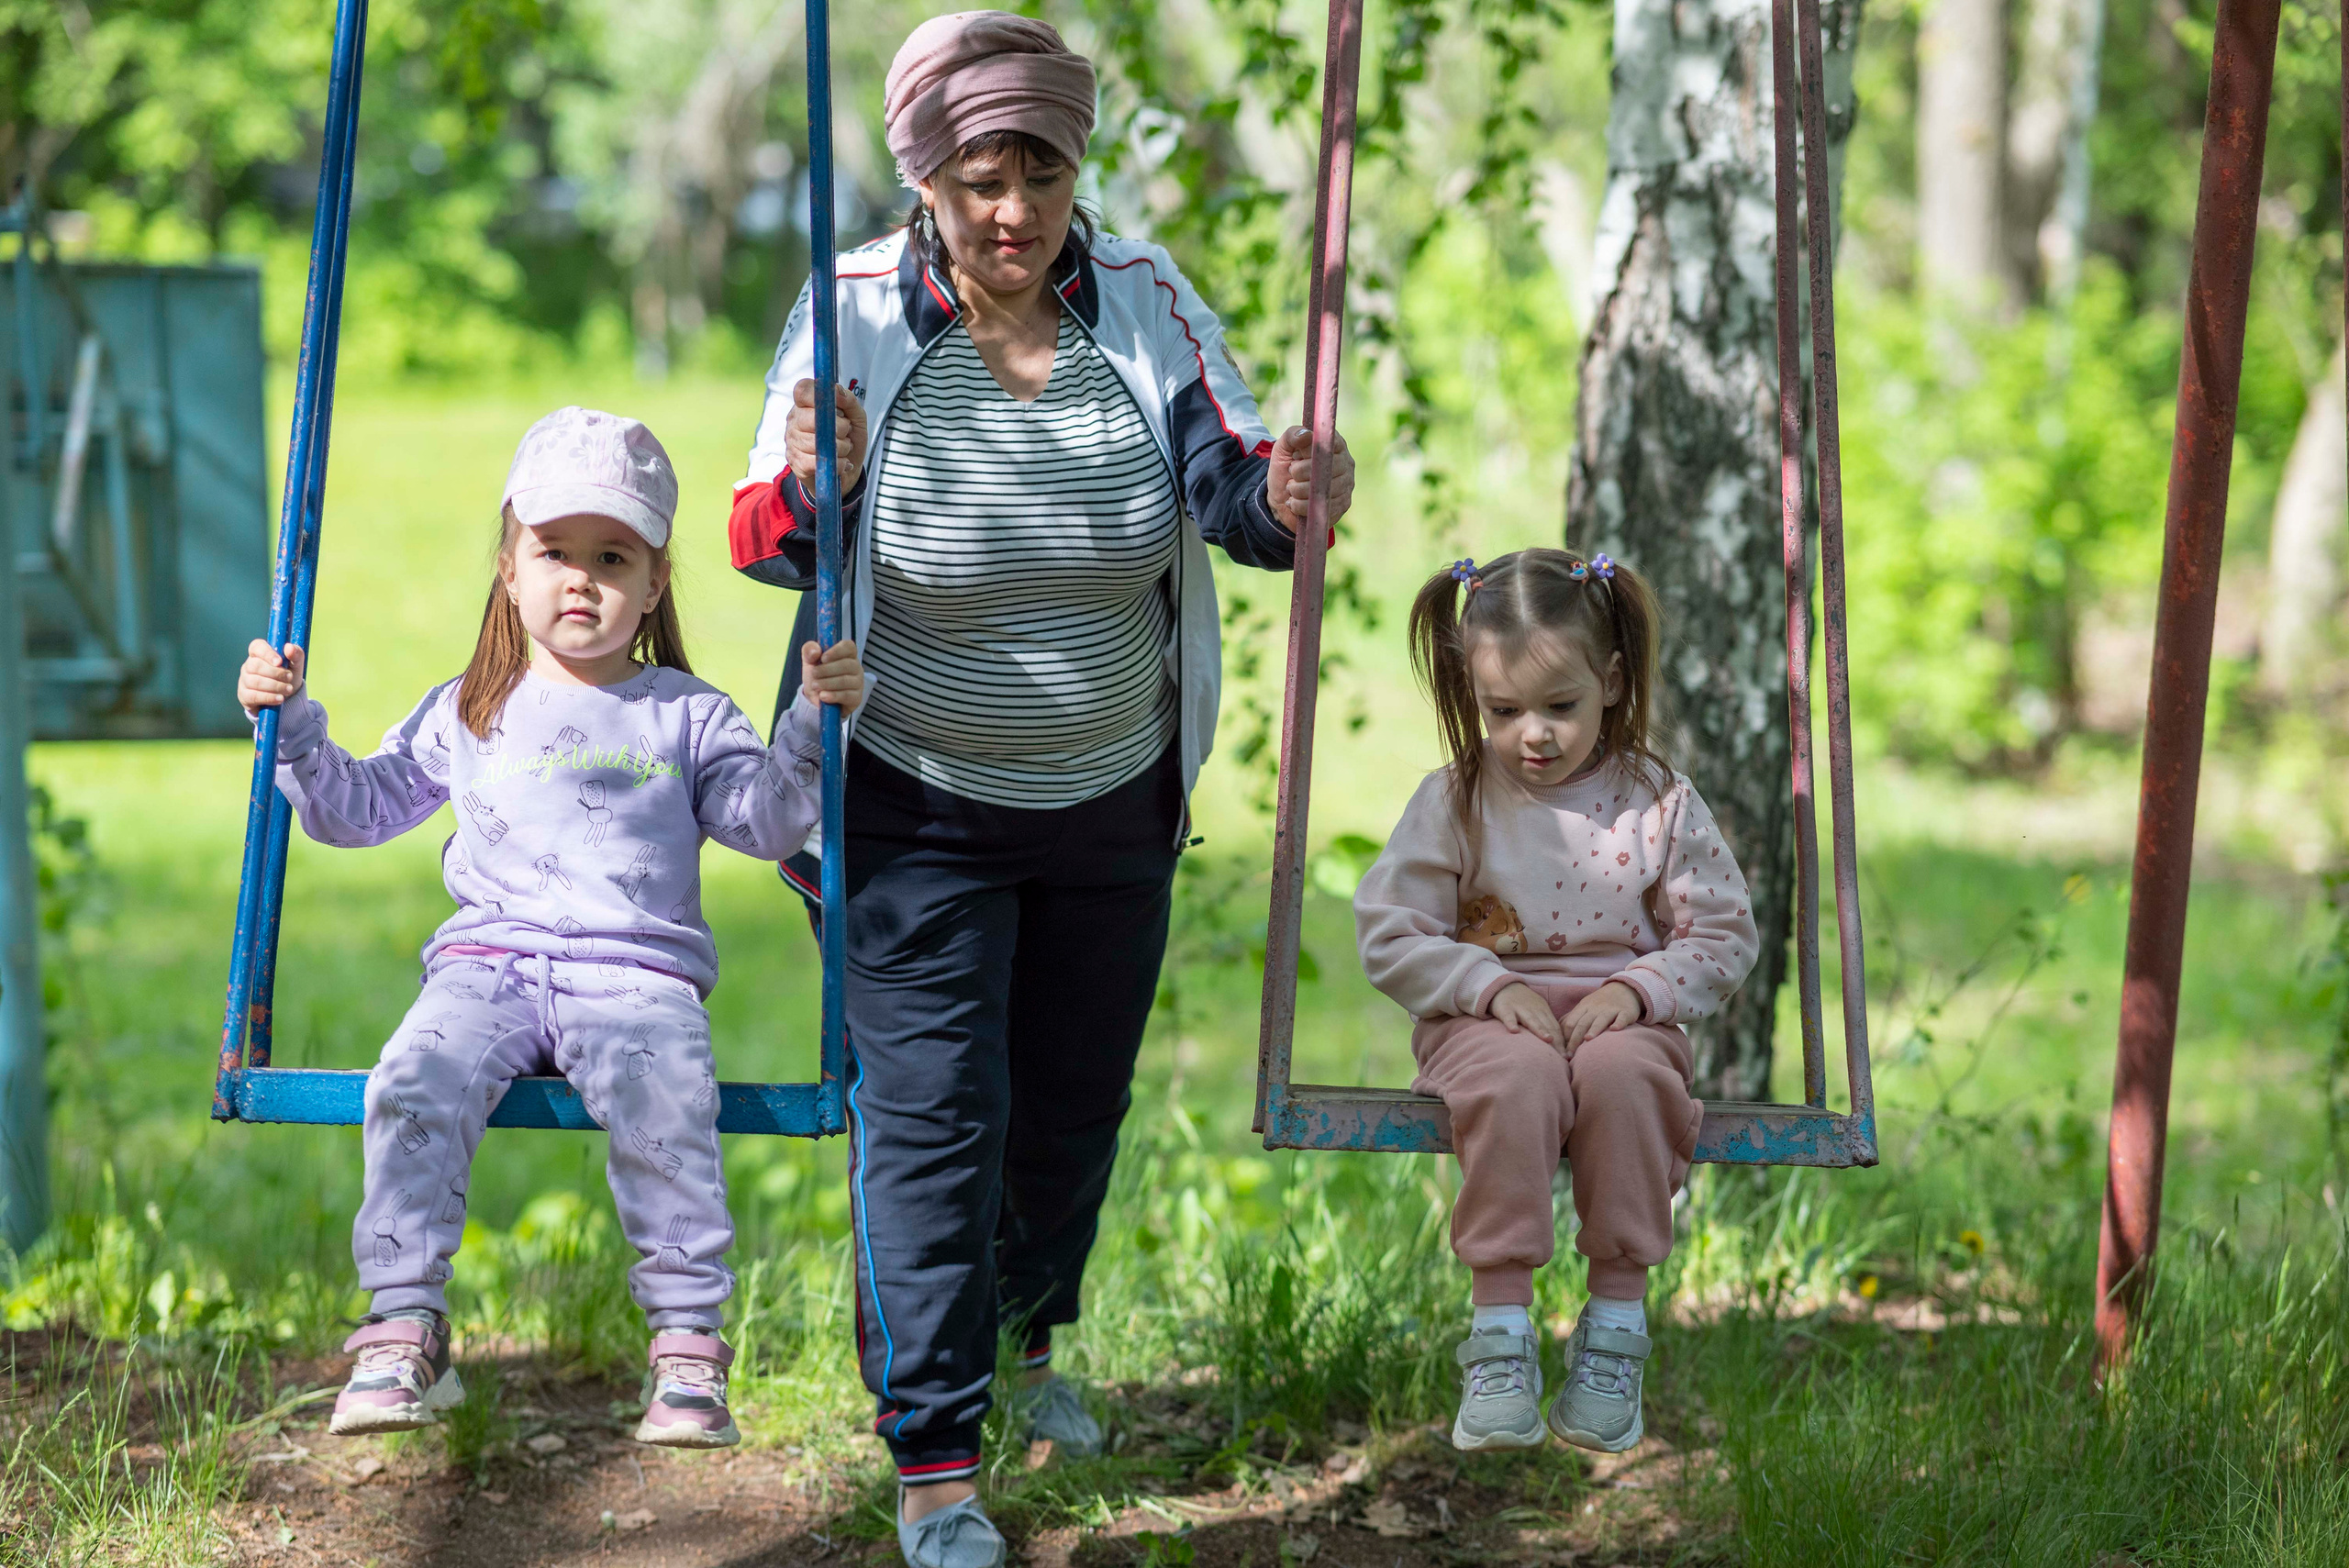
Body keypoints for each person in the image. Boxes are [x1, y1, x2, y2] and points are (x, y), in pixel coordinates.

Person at [727, 13, 1355, 1565]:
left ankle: (1025, 1336)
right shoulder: (854, 304)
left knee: (1067, 1112)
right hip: (906, 804)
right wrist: (826, 482)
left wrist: (1289, 490)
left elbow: (1237, 486)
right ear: (924, 175)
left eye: (1043, 172)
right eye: (977, 176)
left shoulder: (1138, 298)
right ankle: (936, 1453)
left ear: (1080, 170)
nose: (1011, 210)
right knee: (938, 1117)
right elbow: (759, 541)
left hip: (1106, 795)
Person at [237, 406, 865, 1450]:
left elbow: (768, 823)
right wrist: (293, 727)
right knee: (411, 1077)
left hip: (634, 972)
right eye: (555, 551)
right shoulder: (470, 705)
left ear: (655, 582)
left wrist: (810, 726)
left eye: (612, 555)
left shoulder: (687, 714)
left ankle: (687, 1348)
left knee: (668, 1099)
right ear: (509, 566)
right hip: (486, 963)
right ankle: (401, 1325)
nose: (581, 578)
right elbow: (356, 808)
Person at [1353, 549, 1759, 1455]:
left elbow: (1722, 933)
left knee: (1624, 1077)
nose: (1531, 732)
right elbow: (1391, 930)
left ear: (1610, 681)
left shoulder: (1657, 801)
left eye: (1559, 706)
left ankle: (1614, 1333)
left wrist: (1640, 986)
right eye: (1502, 710)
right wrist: (1484, 985)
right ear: (1470, 691)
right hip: (1483, 1022)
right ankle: (1499, 1341)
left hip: (1624, 1021)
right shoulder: (1454, 800)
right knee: (1512, 1075)